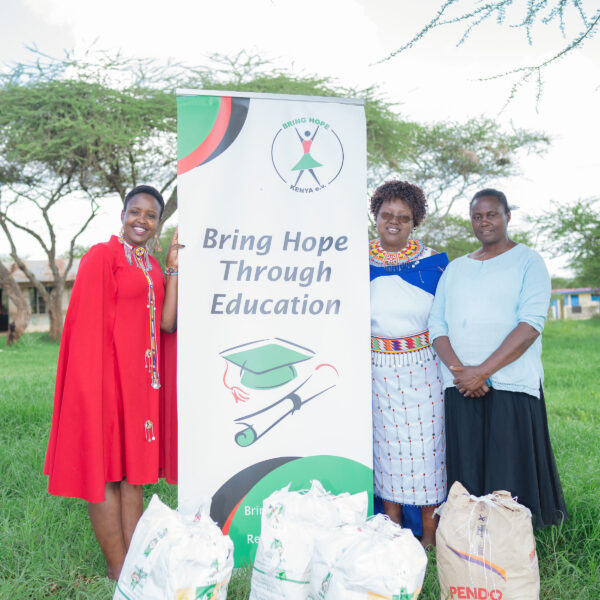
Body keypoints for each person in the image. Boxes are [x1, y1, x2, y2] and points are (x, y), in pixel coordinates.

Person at [43, 185, 183, 578]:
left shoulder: (151, 265)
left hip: (142, 387)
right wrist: (93, 392)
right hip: (106, 383)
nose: (142, 220)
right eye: (135, 212)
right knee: (106, 472)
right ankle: (117, 567)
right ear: (122, 215)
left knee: (134, 477)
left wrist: (172, 269)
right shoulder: (102, 256)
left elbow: (166, 323)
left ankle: (133, 565)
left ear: (158, 224)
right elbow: (86, 329)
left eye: (151, 215)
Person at [428, 188, 567, 528]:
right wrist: (463, 372)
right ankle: (469, 535)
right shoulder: (456, 269)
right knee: (468, 466)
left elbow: (530, 325)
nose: (484, 221)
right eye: (477, 216)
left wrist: (483, 372)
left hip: (511, 381)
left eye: (492, 214)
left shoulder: (529, 261)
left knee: (509, 463)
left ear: (508, 216)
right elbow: (437, 325)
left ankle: (515, 535)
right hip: (461, 384)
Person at [370, 180, 449, 547]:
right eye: (387, 214)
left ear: (415, 221)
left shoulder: (435, 264)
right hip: (376, 368)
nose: (394, 222)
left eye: (403, 217)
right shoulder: (355, 261)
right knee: (386, 451)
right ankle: (392, 532)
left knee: (427, 451)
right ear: (375, 216)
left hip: (424, 367)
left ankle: (430, 535)